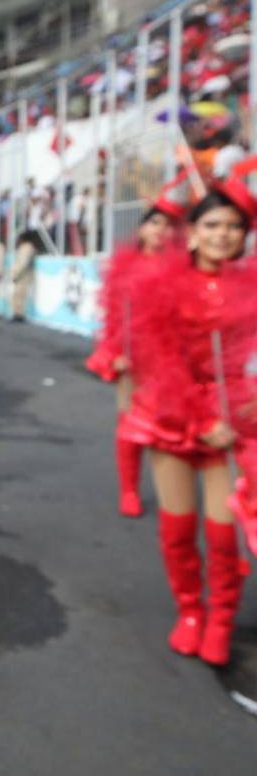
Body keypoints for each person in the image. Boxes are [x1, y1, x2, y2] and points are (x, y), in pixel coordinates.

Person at [121, 179, 257, 667]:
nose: (224, 234)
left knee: (224, 532)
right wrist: (200, 419)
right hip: (175, 417)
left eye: (235, 226)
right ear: (193, 233)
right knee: (178, 528)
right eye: (213, 224)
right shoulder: (163, 284)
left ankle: (221, 617)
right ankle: (190, 612)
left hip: (235, 422)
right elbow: (159, 359)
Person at [85, 191, 186, 517]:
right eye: (155, 222)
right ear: (142, 228)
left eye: (170, 225)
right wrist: (114, 351)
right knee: (129, 422)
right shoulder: (125, 267)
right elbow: (113, 315)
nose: (161, 230)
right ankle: (129, 488)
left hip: (173, 359)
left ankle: (171, 488)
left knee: (169, 425)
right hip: (133, 359)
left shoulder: (183, 266)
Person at [10, 230, 39, 322]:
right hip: (21, 275)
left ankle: (19, 315)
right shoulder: (25, 247)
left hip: (23, 276)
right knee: (17, 295)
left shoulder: (27, 248)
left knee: (19, 295)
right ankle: (17, 314)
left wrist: (15, 274)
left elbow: (23, 263)